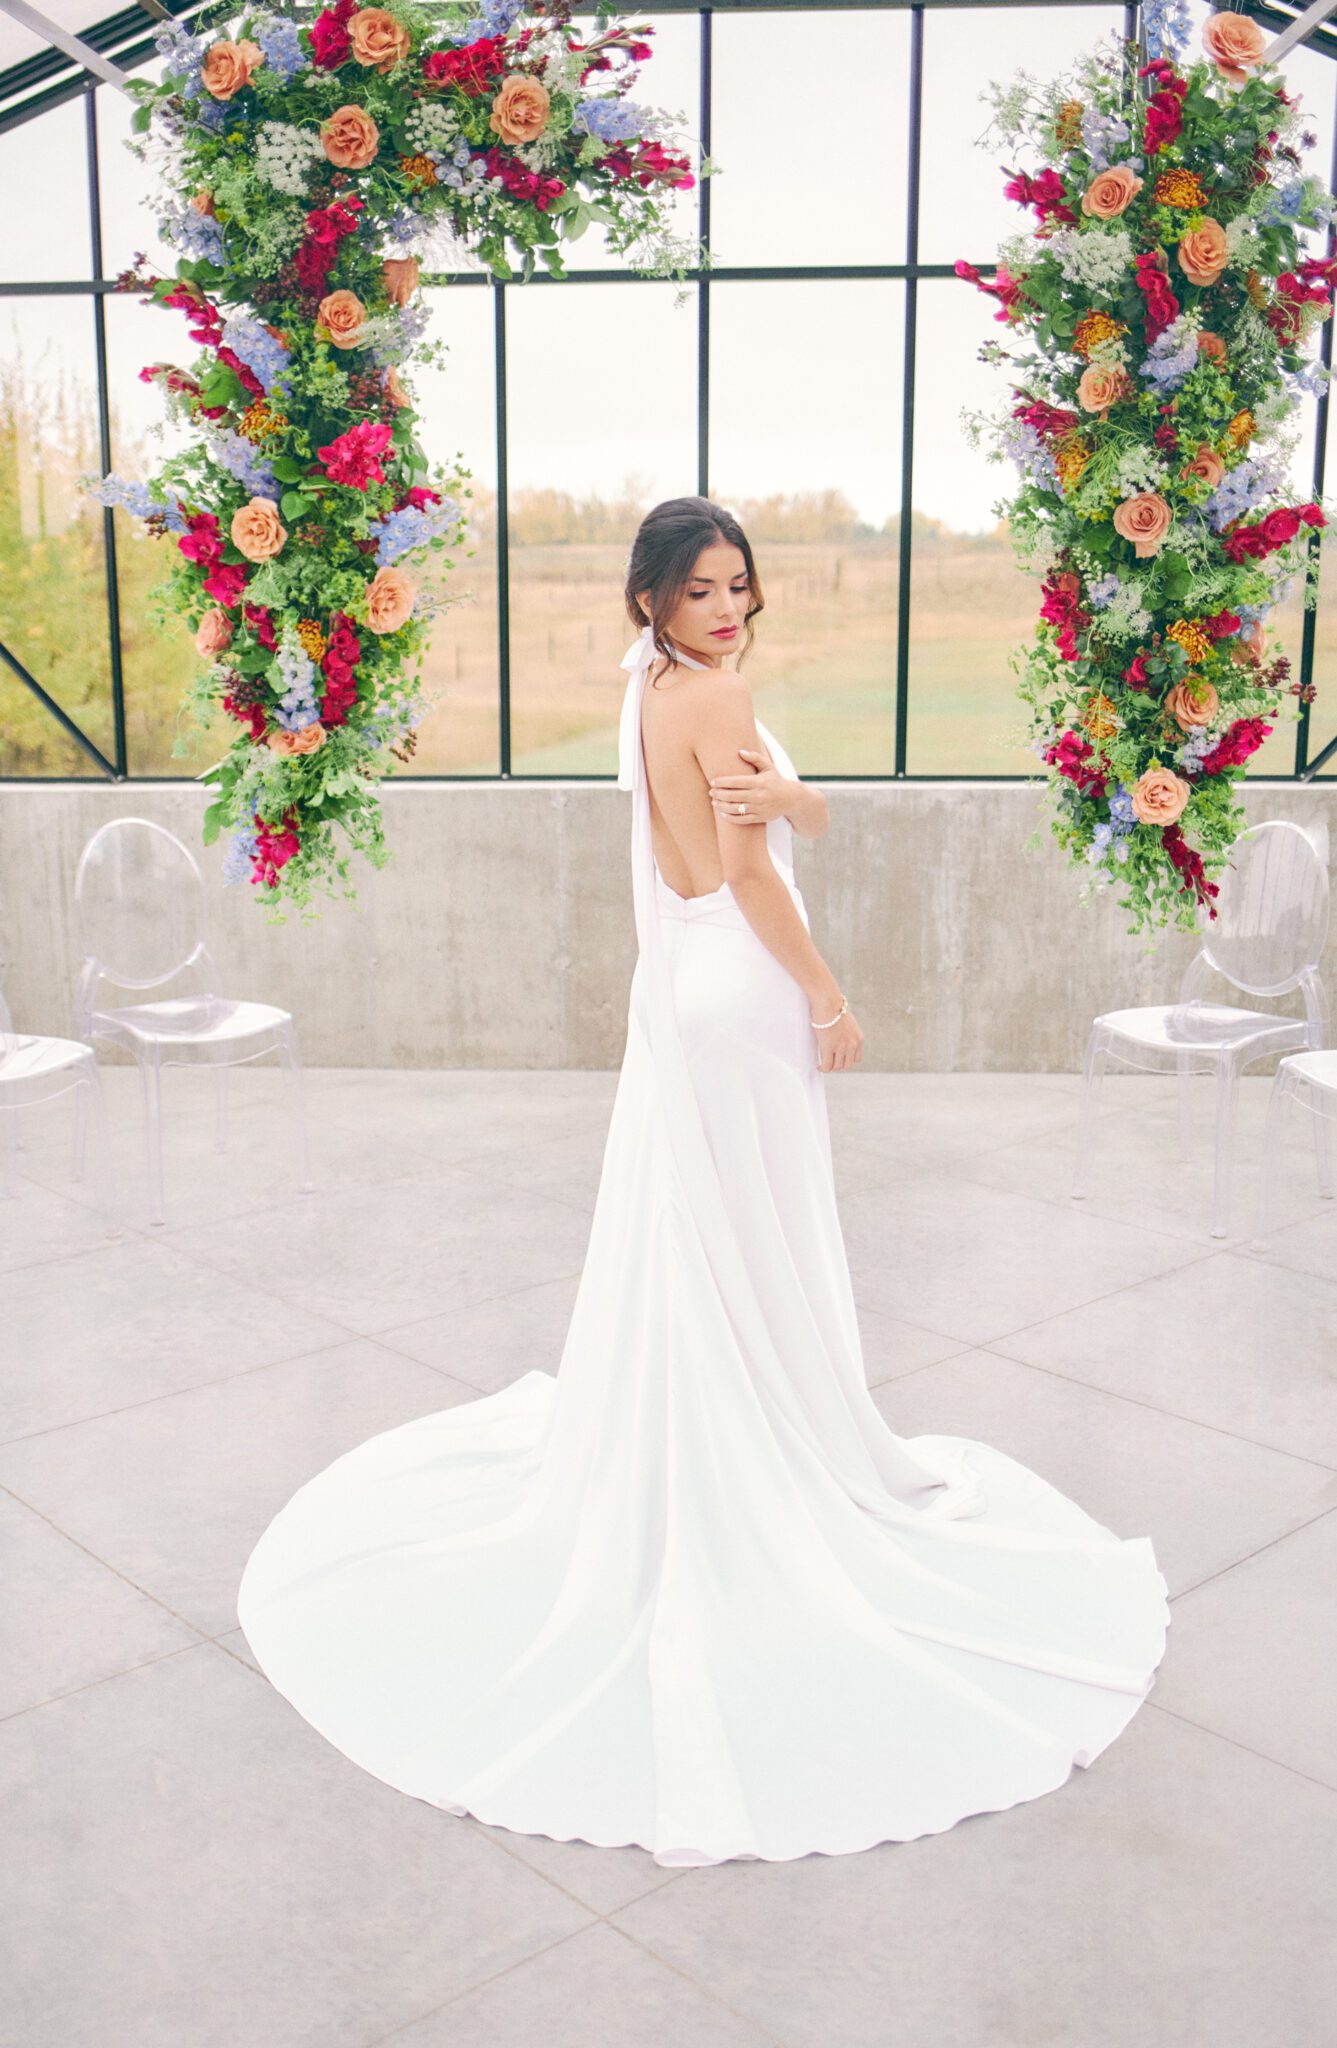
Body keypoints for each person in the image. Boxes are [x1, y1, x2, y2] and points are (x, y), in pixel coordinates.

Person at [237, 496, 1170, 1869]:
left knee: (711, 1229)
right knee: (756, 1228)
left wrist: (795, 797)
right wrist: (831, 995)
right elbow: (746, 879)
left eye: (736, 584)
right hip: (741, 988)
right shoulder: (713, 693)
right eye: (696, 591)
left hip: (681, 991)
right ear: (650, 603)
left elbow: (747, 827)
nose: (725, 608)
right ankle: (767, 1450)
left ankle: (727, 1417)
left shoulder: (654, 693)